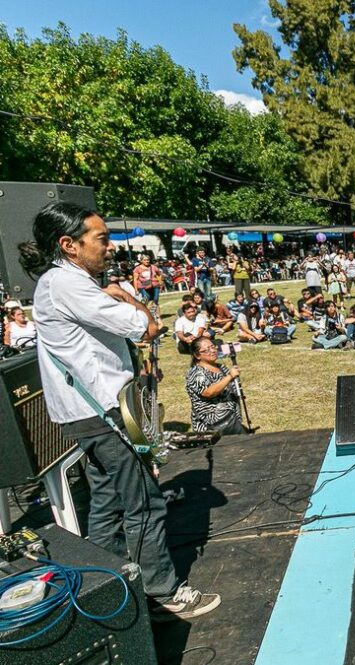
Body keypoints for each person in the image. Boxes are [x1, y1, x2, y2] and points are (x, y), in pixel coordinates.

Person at [22, 201, 219, 621]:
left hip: (87, 412)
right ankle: (162, 591)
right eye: (101, 238)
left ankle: (109, 582)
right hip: (103, 413)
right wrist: (129, 296)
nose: (109, 247)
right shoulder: (67, 285)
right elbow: (146, 327)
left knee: (107, 502)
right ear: (69, 245)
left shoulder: (62, 283)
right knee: (144, 502)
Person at [185, 336, 243, 434]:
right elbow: (208, 392)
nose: (212, 351)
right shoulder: (196, 373)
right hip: (213, 425)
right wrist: (229, 377)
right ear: (197, 355)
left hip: (231, 419)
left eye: (212, 347)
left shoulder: (221, 367)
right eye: (206, 350)